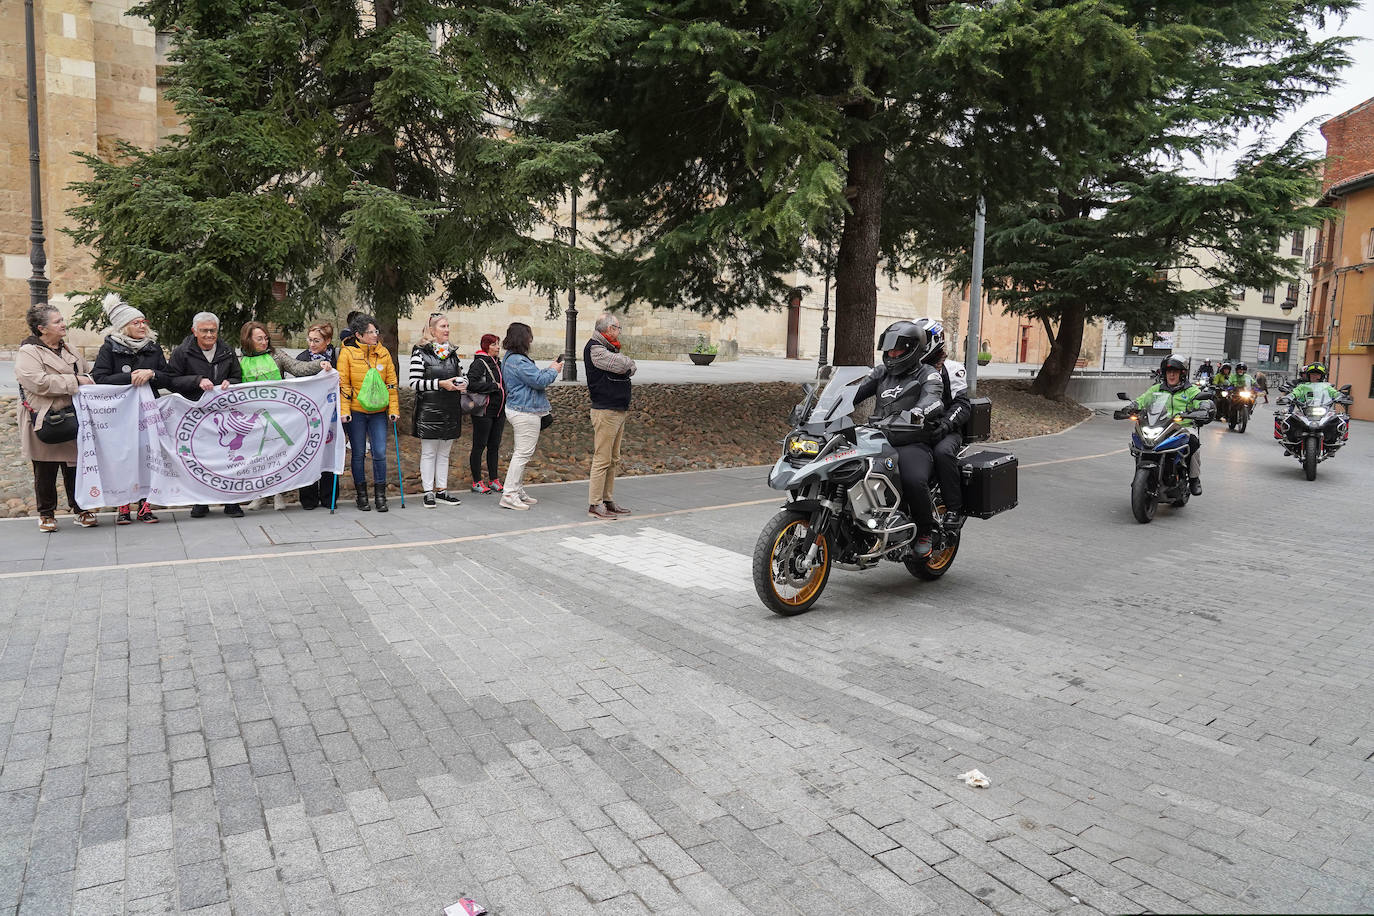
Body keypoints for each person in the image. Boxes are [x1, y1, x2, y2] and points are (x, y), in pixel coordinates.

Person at [853, 321, 947, 556]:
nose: (891, 355)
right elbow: (854, 392)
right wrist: (825, 408)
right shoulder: (881, 372)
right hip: (877, 439)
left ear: (913, 349)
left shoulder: (929, 374)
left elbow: (934, 399)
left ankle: (927, 529)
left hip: (912, 441)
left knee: (913, 479)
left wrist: (918, 413)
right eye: (889, 350)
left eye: (897, 350)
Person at [16, 304, 97, 533]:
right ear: (42, 328)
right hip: (44, 417)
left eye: (62, 320)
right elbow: (38, 382)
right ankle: (46, 513)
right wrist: (75, 382)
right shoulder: (28, 352)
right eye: (57, 321)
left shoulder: (69, 348)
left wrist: (84, 380)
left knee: (75, 465)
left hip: (73, 415)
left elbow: (86, 372)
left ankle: (81, 508)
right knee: (45, 468)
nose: (63, 324)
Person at [90, 293, 170, 524]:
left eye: (144, 321)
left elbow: (167, 378)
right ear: (124, 326)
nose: (142, 326)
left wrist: (152, 374)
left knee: (148, 456)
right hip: (120, 414)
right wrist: (130, 377)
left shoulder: (153, 349)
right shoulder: (110, 349)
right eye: (136, 322)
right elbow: (100, 377)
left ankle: (145, 506)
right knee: (122, 457)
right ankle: (123, 506)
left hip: (148, 412)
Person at [239, 321, 331, 510]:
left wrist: (318, 365)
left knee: (275, 456)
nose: (264, 342)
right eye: (259, 339)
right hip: (251, 418)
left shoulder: (276, 355)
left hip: (277, 416)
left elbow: (297, 367)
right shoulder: (240, 359)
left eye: (266, 338)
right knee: (258, 457)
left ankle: (278, 493)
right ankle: (261, 494)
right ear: (248, 340)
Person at [168, 312, 245, 518]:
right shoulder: (182, 352)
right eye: (204, 331)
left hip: (223, 415)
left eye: (213, 331)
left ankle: (232, 502)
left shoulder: (227, 350)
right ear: (194, 331)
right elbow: (170, 380)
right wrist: (197, 380)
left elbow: (237, 376)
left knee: (229, 458)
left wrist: (232, 382)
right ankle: (201, 501)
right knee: (199, 459)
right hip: (194, 415)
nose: (210, 335)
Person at [910, 318, 972, 548]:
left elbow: (963, 406)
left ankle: (954, 509)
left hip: (945, 431)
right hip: (912, 430)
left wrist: (945, 424)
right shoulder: (908, 368)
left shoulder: (953, 369)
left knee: (943, 453)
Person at [337, 312, 399, 512]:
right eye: (370, 332)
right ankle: (361, 495)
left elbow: (391, 383)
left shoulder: (383, 353)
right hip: (356, 412)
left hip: (378, 412)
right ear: (359, 335)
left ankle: (380, 496)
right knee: (357, 454)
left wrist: (394, 409)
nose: (375, 335)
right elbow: (344, 385)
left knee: (379, 452)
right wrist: (345, 411)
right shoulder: (347, 353)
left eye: (376, 331)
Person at [497, 322, 561, 511]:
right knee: (522, 454)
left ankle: (516, 490)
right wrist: (553, 371)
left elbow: (532, 378)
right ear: (522, 339)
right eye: (529, 336)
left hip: (520, 408)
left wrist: (548, 369)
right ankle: (509, 494)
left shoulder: (512, 358)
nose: (531, 340)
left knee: (522, 452)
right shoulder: (518, 360)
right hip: (524, 411)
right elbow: (539, 381)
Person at [408, 313, 468, 508]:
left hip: (450, 409)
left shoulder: (453, 353)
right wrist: (441, 384)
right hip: (429, 410)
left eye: (448, 326)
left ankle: (442, 490)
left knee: (444, 453)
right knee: (429, 452)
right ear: (432, 330)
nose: (447, 330)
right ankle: (428, 492)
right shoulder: (420, 353)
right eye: (443, 326)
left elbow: (462, 375)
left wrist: (463, 383)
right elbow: (415, 383)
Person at [583, 313, 636, 520]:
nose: (619, 331)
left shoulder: (609, 347)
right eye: (618, 328)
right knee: (602, 459)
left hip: (617, 409)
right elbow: (624, 365)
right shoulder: (595, 347)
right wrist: (627, 362)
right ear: (609, 329)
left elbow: (626, 364)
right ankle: (594, 504)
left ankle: (607, 499)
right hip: (605, 410)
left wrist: (626, 362)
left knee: (613, 459)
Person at [1132, 355, 1206, 495]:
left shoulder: (1190, 390)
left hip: (1183, 426)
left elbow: (1200, 400)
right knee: (1139, 440)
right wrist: (1132, 405)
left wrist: (1204, 406)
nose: (1171, 374)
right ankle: (1140, 477)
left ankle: (1194, 478)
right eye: (1168, 371)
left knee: (1193, 442)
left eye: (1175, 371)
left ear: (1182, 373)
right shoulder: (1157, 389)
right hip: (1160, 425)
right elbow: (1142, 400)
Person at [296, 322, 339, 510]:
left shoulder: (337, 358)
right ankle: (308, 497)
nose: (312, 344)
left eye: (317, 340)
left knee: (330, 454)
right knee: (309, 452)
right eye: (310, 339)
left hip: (332, 415)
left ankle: (329, 497)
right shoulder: (302, 358)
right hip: (310, 416)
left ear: (327, 341)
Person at [465, 333, 506, 494]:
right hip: (483, 411)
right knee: (479, 446)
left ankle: (494, 479)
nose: (498, 347)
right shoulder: (479, 363)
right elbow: (471, 384)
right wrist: (492, 386)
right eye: (495, 344)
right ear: (487, 346)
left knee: (494, 446)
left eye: (498, 344)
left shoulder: (498, 363)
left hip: (499, 411)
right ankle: (476, 481)